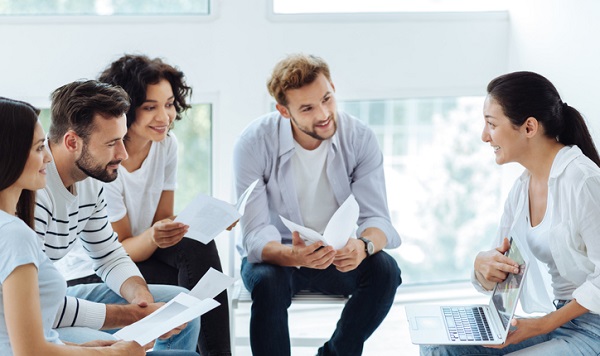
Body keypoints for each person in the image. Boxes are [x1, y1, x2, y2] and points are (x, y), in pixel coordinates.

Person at [233, 53, 402, 356]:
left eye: (327, 98)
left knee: (385, 270)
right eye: (308, 108)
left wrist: (362, 247)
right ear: (284, 111)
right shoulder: (253, 143)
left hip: (335, 257)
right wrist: (294, 254)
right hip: (280, 258)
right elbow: (255, 235)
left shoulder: (359, 137)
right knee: (266, 281)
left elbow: (378, 218)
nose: (324, 114)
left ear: (333, 87)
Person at [0, 96, 198, 356]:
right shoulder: (22, 220)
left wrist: (139, 298)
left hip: (54, 315)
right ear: (72, 142)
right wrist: (120, 337)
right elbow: (37, 321)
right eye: (112, 143)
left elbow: (108, 253)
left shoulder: (89, 184)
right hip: (60, 307)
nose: (123, 154)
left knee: (183, 305)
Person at [421, 72, 600, 355]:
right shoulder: (521, 189)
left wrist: (542, 325)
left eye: (491, 124)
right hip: (562, 319)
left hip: (594, 329)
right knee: (439, 348)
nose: (484, 136)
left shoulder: (583, 180)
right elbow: (499, 271)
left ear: (529, 127)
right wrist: (482, 267)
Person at [81, 54, 228, 356]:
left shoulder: (166, 145)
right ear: (124, 110)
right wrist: (154, 235)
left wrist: (211, 218)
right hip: (101, 269)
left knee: (198, 245)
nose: (165, 117)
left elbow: (163, 222)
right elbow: (117, 250)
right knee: (189, 274)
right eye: (150, 107)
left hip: (141, 255)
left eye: (170, 104)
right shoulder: (106, 160)